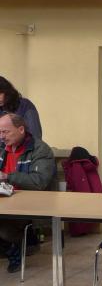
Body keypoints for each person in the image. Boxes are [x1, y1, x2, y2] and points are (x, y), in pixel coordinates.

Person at [0, 113, 57, 272]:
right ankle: (13, 248)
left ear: (21, 129)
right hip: (4, 201)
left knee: (3, 225)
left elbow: (39, 182)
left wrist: (7, 176)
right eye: (0, 132)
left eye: (5, 132)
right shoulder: (2, 148)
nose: (2, 136)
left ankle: (17, 247)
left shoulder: (40, 150)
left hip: (29, 205)